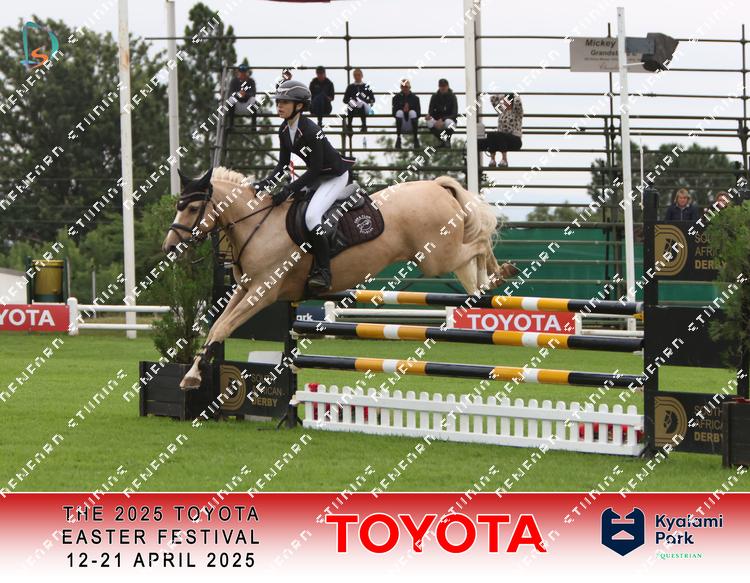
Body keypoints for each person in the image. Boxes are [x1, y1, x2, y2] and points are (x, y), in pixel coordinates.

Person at [253, 80, 356, 292]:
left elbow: (316, 169)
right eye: (278, 102)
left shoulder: (311, 130)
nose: (279, 106)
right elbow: (282, 165)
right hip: (316, 177)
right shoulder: (284, 130)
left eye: (284, 102)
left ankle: (324, 273)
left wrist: (288, 190)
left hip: (334, 177)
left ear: (299, 106)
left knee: (311, 217)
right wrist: (264, 184)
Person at [483, 92, 523, 167]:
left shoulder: (517, 112)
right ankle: (492, 160)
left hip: (515, 140)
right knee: (490, 134)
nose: (504, 102)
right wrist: (503, 96)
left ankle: (504, 159)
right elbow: (492, 98)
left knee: (500, 135)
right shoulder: (502, 110)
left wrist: (511, 96)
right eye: (504, 100)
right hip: (501, 140)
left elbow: (518, 100)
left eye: (506, 101)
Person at [426, 79, 458, 147]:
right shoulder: (434, 96)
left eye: (444, 86)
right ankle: (444, 140)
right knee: (429, 122)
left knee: (448, 122)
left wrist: (443, 119)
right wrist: (429, 116)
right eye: (441, 86)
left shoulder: (453, 96)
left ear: (448, 86)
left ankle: (446, 141)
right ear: (439, 86)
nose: (443, 88)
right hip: (437, 120)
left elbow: (454, 114)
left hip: (449, 120)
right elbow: (431, 111)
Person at [343, 68, 375, 134]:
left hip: (363, 106)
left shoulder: (366, 86)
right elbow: (345, 100)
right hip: (354, 106)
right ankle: (349, 126)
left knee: (361, 104)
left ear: (362, 76)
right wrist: (351, 101)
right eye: (355, 75)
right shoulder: (350, 87)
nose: (357, 77)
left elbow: (372, 99)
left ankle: (364, 126)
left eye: (358, 75)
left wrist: (365, 101)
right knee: (351, 105)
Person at [392, 79, 421, 149]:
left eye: (406, 87)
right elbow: (394, 113)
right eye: (403, 87)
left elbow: (418, 113)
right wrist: (403, 110)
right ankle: (398, 138)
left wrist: (409, 109)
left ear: (409, 87)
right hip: (401, 125)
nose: (404, 88)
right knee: (399, 112)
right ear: (400, 87)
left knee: (412, 112)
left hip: (412, 125)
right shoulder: (396, 98)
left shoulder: (415, 98)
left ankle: (415, 139)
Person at [228, 63, 257, 130]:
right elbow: (230, 93)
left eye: (244, 72)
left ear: (247, 73)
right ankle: (231, 125)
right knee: (231, 99)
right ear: (238, 72)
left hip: (248, 107)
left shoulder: (251, 81)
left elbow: (253, 93)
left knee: (253, 100)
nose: (243, 74)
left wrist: (245, 95)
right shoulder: (234, 81)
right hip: (236, 107)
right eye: (241, 72)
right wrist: (238, 94)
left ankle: (253, 126)